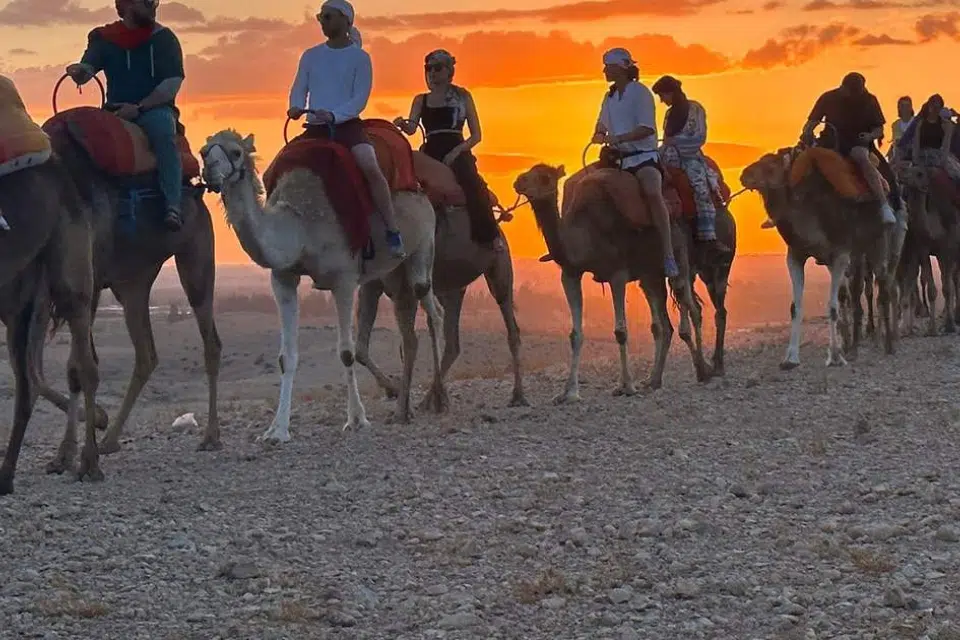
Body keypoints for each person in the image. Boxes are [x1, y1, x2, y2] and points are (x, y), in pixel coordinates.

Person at [287, 0, 405, 258]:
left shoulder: (360, 58)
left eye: (328, 16)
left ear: (345, 19)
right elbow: (299, 87)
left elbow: (359, 99)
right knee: (282, 164)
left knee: (370, 166)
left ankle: (392, 230)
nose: (323, 21)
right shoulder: (310, 55)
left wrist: (334, 115)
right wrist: (295, 106)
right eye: (321, 17)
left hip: (347, 127)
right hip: (315, 126)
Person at [65, 0, 185, 231]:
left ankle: (173, 205)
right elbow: (87, 69)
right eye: (146, 2)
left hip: (154, 110)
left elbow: (172, 83)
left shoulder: (164, 39)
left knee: (163, 134)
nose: (153, 6)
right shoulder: (104, 38)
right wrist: (79, 72)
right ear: (127, 5)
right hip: (115, 111)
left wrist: (139, 107)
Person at [393, 49, 504, 252]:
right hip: (430, 149)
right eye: (428, 68)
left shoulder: (462, 96)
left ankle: (491, 235)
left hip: (457, 148)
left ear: (448, 70)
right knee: (407, 184)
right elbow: (412, 128)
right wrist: (402, 124)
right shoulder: (420, 100)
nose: (432, 73)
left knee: (473, 184)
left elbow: (476, 135)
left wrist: (456, 153)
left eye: (437, 68)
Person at [592, 48, 679, 279]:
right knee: (585, 187)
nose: (604, 71)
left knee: (652, 191)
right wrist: (599, 134)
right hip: (616, 160)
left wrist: (618, 138)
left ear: (621, 68)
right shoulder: (609, 97)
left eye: (608, 67)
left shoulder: (640, 93)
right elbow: (601, 123)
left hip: (642, 158)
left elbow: (646, 128)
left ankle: (668, 254)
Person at [801, 72, 899, 225]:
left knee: (862, 159)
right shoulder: (828, 98)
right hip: (830, 140)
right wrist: (807, 132)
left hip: (857, 142)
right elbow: (812, 121)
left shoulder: (870, 100)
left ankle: (884, 205)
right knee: (799, 158)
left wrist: (869, 136)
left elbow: (879, 129)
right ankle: (784, 208)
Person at [651, 75, 730, 255]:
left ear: (671, 92)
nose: (662, 100)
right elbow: (667, 139)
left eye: (663, 95)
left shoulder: (696, 109)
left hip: (690, 156)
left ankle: (708, 237)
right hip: (666, 155)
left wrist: (675, 143)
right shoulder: (669, 114)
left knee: (700, 188)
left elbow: (699, 136)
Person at [909, 94, 960, 182]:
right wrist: (915, 161)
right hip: (922, 156)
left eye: (937, 107)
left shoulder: (945, 125)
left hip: (938, 156)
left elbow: (945, 146)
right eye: (933, 106)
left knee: (956, 175)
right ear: (929, 107)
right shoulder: (920, 123)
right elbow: (916, 144)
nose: (934, 110)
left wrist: (942, 162)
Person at [888, 96, 913, 162]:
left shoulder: (917, 122)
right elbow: (896, 142)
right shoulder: (895, 125)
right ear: (899, 108)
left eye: (907, 106)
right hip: (898, 157)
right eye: (902, 106)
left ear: (911, 107)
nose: (905, 109)